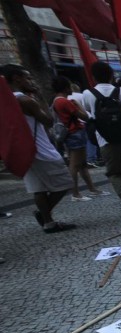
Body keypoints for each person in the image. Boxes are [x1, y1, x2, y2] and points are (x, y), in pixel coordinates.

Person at [2, 64, 76, 233]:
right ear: (16, 78)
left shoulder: (5, 100)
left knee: (38, 188)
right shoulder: (25, 100)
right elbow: (48, 120)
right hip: (40, 149)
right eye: (27, 77)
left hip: (23, 150)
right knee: (64, 183)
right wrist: (39, 96)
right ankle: (44, 214)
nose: (30, 81)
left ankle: (48, 222)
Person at [82, 61, 121, 215]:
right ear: (111, 75)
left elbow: (88, 112)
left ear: (93, 77)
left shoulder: (88, 94)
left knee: (114, 172)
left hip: (106, 141)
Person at [51, 76, 107, 201]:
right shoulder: (64, 102)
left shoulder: (57, 101)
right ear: (65, 88)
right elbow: (85, 116)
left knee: (81, 164)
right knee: (75, 165)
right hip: (74, 133)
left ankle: (91, 189)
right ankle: (76, 193)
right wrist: (78, 105)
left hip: (72, 133)